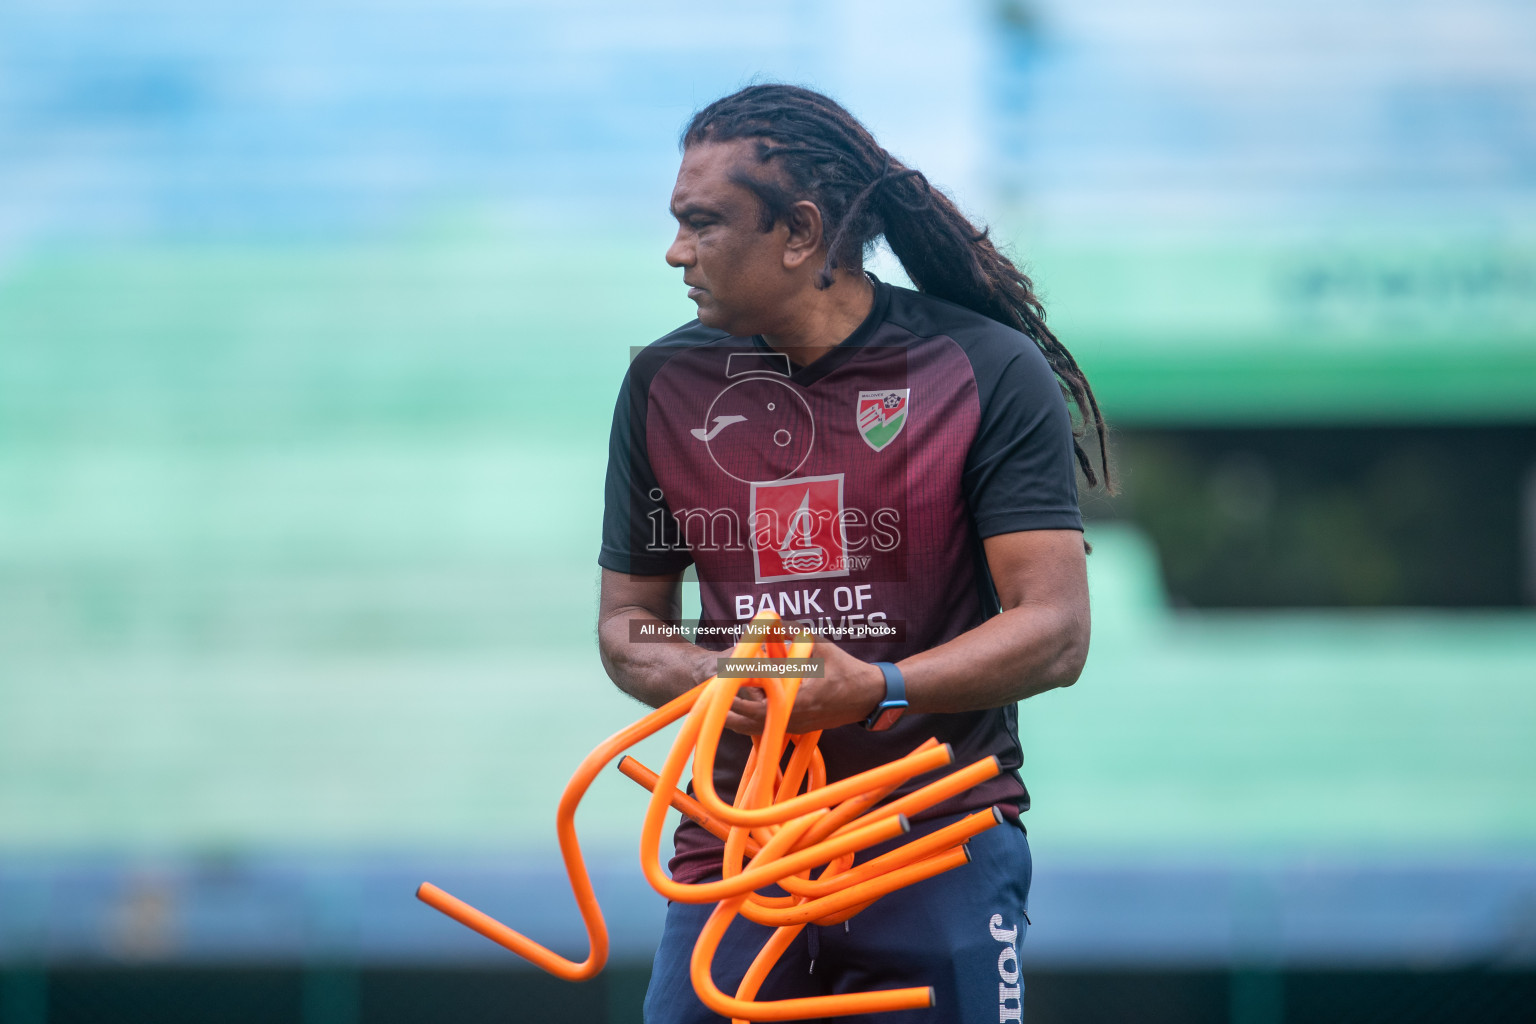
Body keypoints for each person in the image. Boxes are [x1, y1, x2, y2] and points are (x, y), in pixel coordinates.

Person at [597, 84, 1110, 1024]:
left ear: (799, 232)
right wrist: (720, 677)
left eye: (701, 224)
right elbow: (630, 628)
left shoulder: (986, 369)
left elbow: (1056, 631)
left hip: (935, 840)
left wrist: (876, 686)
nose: (675, 252)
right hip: (740, 850)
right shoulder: (661, 384)